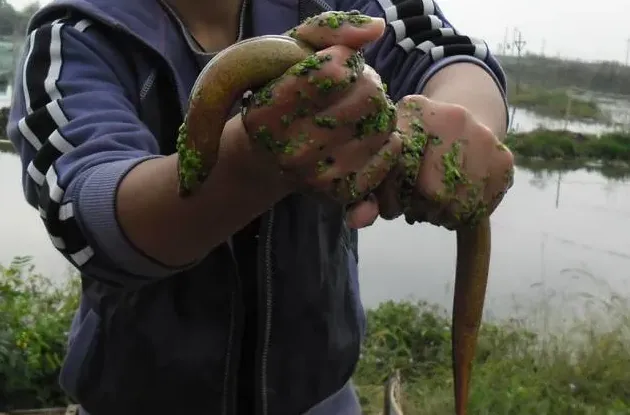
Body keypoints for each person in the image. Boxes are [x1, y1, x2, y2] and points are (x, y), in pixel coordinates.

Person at [7, 0, 513, 413]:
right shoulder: (73, 38)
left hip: (320, 400)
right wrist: (248, 165)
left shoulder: (343, 5)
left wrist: (457, 128)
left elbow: (444, 50)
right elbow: (84, 212)